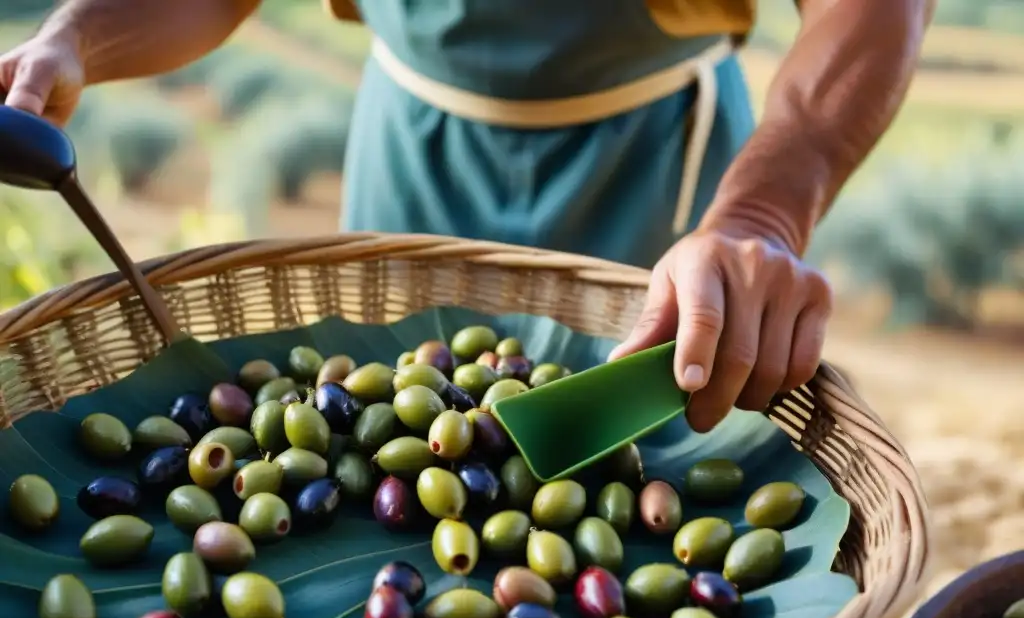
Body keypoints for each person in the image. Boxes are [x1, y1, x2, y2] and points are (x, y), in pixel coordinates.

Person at [0, 0, 933, 433]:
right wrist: (76, 35)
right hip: (409, 148)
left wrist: (761, 216)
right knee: (374, 445)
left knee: (640, 475)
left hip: (649, 173)